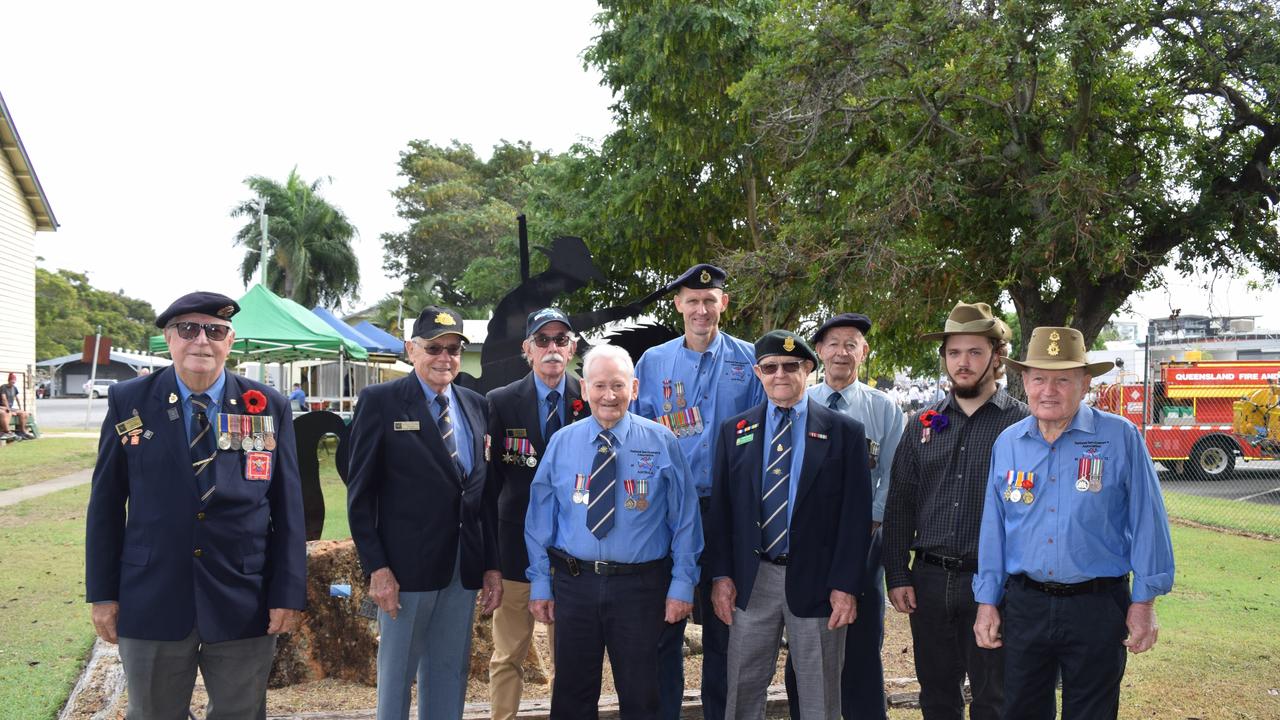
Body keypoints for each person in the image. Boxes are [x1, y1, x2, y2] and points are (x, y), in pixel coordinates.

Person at [85, 291, 306, 719]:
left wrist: (288, 593)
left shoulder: (266, 406)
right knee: (153, 713)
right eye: (188, 329)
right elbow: (107, 505)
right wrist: (103, 593)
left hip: (244, 595)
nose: (201, 340)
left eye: (215, 330)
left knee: (241, 713)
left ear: (230, 341)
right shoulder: (129, 401)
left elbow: (289, 508)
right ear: (169, 339)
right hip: (152, 595)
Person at [973, 327, 1175, 719]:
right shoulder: (1009, 443)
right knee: (1021, 710)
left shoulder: (1120, 437)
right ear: (1025, 381)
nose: (1049, 390)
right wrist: (986, 601)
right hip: (1025, 606)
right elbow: (994, 529)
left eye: (1063, 378)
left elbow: (1148, 521)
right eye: (1039, 378)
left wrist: (1144, 602)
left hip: (1097, 606)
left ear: (1085, 384)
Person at [525, 344, 702, 719]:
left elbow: (685, 520)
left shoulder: (662, 442)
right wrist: (541, 583)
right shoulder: (562, 443)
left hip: (641, 589)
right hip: (576, 585)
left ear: (634, 389)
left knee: (643, 697)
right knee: (572, 695)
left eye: (618, 386)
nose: (609, 395)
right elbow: (540, 520)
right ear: (585, 388)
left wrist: (682, 585)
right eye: (600, 385)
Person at [346, 305, 503, 720]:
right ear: (411, 350)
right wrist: (377, 568)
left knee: (449, 676)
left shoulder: (475, 404)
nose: (445, 358)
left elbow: (483, 495)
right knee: (396, 680)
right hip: (405, 572)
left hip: (460, 569)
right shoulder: (380, 402)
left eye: (453, 349)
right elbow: (359, 496)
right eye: (434, 347)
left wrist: (490, 566)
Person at [707, 330, 871, 720]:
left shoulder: (844, 432)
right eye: (770, 367)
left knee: (819, 697)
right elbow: (722, 512)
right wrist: (721, 577)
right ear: (757, 373)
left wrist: (846, 586)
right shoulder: (735, 431)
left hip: (817, 582)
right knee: (743, 691)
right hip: (753, 580)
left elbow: (855, 518)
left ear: (809, 368)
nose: (780, 374)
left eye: (791, 365)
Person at [882, 301, 1028, 720]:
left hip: (995, 580)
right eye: (954, 353)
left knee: (993, 696)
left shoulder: (1021, 426)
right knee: (937, 696)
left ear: (997, 357)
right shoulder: (922, 423)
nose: (962, 363)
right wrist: (896, 573)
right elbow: (900, 503)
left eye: (975, 352)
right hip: (929, 580)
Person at [632, 263, 764, 720]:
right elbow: (637, 438)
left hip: (727, 512)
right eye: (693, 300)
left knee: (726, 627)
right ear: (678, 305)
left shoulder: (751, 362)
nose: (701, 309)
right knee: (663, 626)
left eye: (710, 300)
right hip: (666, 516)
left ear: (723, 303)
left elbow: (760, 440)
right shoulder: (653, 363)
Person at [782, 313, 905, 719]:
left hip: (863, 543)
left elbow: (894, 474)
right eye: (833, 343)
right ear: (817, 353)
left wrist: (870, 519)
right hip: (808, 545)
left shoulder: (883, 409)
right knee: (806, 640)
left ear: (864, 353)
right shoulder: (799, 402)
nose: (841, 352)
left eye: (851, 344)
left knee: (863, 642)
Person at [485, 308, 590, 720]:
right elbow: (489, 486)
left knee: (572, 657)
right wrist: (489, 558)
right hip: (515, 551)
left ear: (572, 348)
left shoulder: (590, 397)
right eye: (542, 340)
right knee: (508, 653)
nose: (552, 348)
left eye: (560, 340)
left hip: (573, 552)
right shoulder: (501, 401)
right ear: (527, 349)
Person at [1, 372, 35, 440]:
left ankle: (22, 431)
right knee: (8, 413)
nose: (13, 381)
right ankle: (7, 432)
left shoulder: (14, 388)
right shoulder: (3, 387)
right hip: (3, 406)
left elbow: (17, 398)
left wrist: (20, 408)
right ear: (9, 380)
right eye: (12, 380)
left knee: (24, 413)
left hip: (10, 407)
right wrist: (9, 409)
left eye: (14, 380)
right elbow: (4, 399)